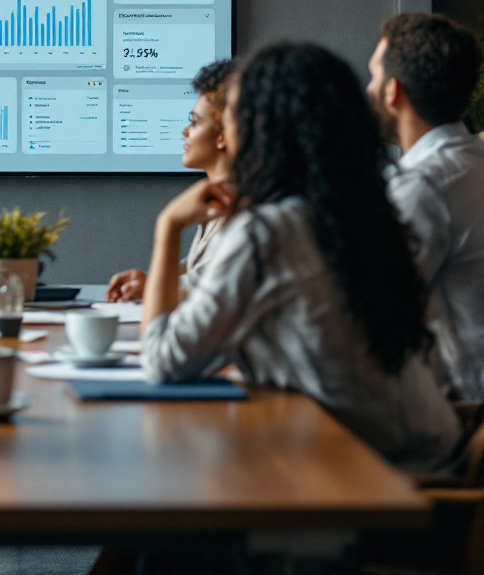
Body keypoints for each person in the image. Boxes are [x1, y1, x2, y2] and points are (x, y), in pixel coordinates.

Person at [138, 43, 461, 474]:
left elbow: (163, 361)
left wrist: (168, 228)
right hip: (432, 452)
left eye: (234, 112)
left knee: (171, 506)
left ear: (260, 127)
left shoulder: (267, 232)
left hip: (381, 485)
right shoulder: (362, 212)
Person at [367, 12, 484, 401]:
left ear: (392, 91)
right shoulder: (473, 160)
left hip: (461, 422)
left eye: (373, 76)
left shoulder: (423, 187)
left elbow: (372, 313)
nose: (368, 89)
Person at [106, 58, 235, 303]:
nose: (185, 131)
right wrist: (149, 278)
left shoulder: (239, 209)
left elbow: (209, 292)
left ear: (222, 137)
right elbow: (197, 269)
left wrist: (153, 286)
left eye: (195, 121)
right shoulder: (214, 197)